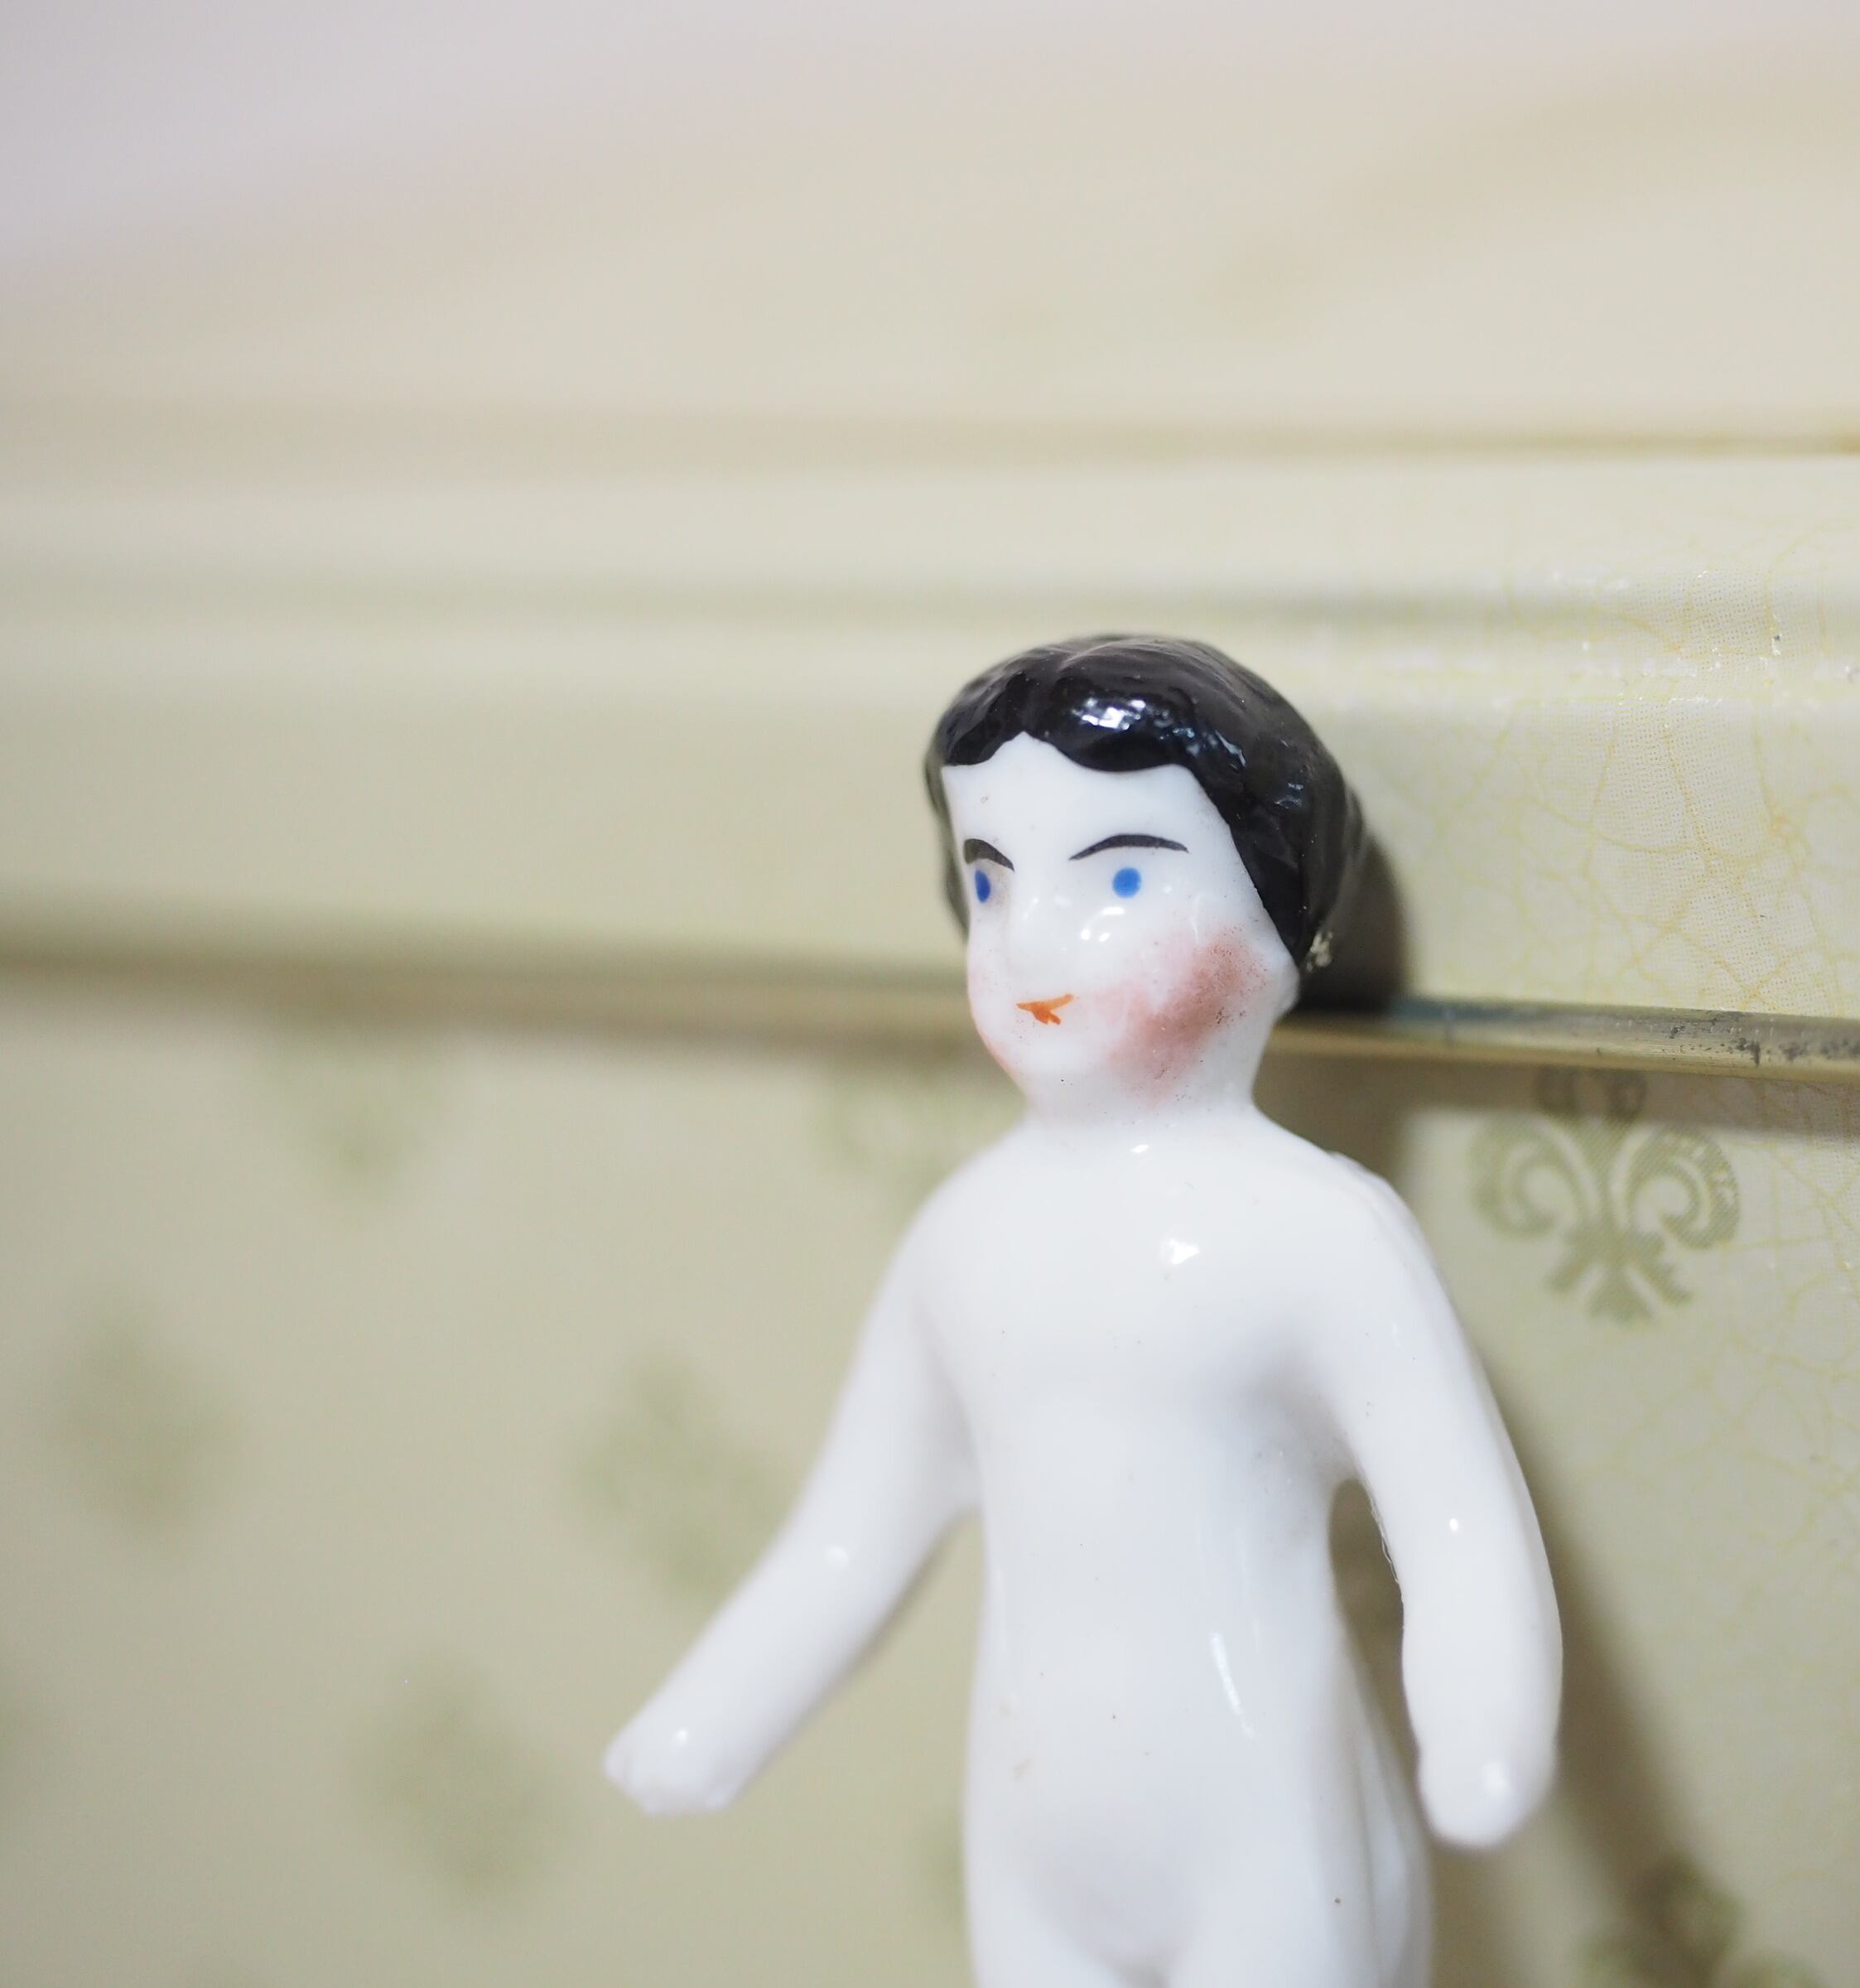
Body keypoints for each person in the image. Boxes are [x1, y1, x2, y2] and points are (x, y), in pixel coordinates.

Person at [605, 634, 1561, 1988]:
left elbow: (1457, 1526)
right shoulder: (964, 1239)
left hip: (1264, 1828)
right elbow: (852, 1534)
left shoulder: (1319, 1235)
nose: (1032, 942)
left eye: (1117, 878)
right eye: (991, 882)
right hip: (1031, 1838)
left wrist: (1484, 1735)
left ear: (1277, 925)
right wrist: (711, 1719)